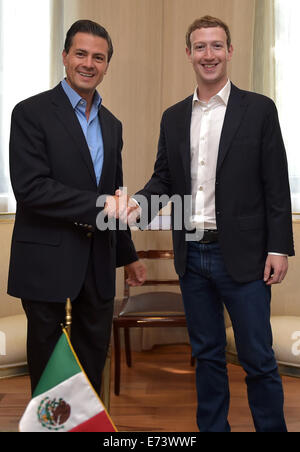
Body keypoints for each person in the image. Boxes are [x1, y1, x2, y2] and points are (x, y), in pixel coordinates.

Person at [108, 15, 295, 432]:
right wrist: (137, 203)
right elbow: (164, 179)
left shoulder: (260, 110)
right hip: (192, 257)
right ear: (188, 54)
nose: (208, 54)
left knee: (258, 360)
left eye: (216, 46)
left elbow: (276, 185)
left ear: (229, 52)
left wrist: (279, 247)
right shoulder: (173, 117)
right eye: (200, 46)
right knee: (207, 355)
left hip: (246, 260)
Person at [8, 20, 146, 396]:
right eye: (81, 53)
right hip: (45, 258)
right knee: (49, 362)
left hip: (98, 260)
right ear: (65, 56)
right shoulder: (30, 112)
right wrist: (101, 203)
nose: (89, 63)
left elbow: (116, 195)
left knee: (91, 360)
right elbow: (31, 188)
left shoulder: (112, 124)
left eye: (98, 57)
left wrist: (128, 255)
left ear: (106, 65)